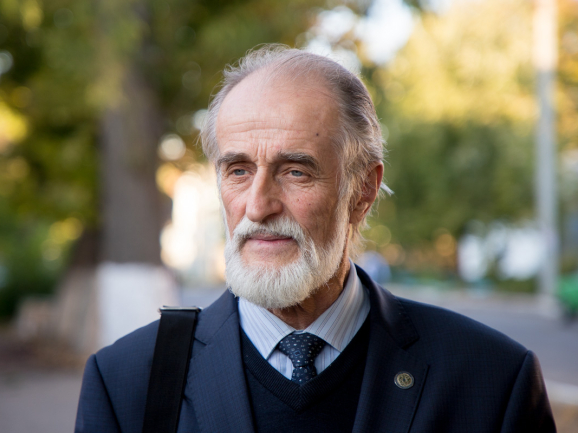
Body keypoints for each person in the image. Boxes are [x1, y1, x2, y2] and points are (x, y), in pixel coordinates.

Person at [75, 45, 556, 433]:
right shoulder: (128, 381)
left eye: (295, 171)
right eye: (238, 170)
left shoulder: (490, 379)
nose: (258, 206)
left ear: (362, 191)